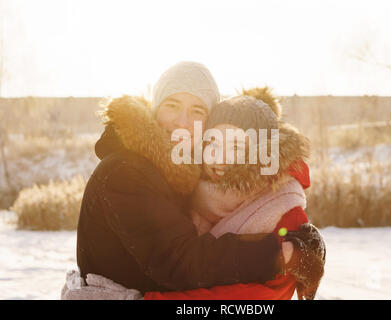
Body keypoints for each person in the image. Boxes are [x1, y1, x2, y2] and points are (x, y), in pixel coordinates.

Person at [63, 62, 325, 298]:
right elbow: (181, 262)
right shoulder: (126, 171)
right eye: (172, 105)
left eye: (197, 111)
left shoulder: (183, 174)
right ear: (154, 109)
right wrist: (281, 253)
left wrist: (303, 238)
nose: (183, 122)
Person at [144, 90, 324, 300]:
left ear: (260, 153)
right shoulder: (187, 194)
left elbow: (257, 298)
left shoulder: (284, 210)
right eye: (213, 143)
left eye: (237, 147)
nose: (220, 158)